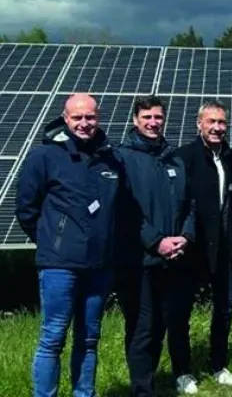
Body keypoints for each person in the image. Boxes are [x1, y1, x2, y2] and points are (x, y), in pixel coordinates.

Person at [17, 93, 124, 397]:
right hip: (59, 267)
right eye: (77, 117)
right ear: (65, 119)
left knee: (89, 339)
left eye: (90, 117)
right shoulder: (44, 157)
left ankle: (83, 394)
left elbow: (119, 209)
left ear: (98, 119)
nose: (84, 123)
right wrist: (53, 240)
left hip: (99, 267)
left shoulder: (110, 158)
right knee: (53, 338)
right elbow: (26, 208)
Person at [115, 95, 199, 396]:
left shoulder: (173, 158)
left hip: (174, 259)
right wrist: (155, 241)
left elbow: (190, 203)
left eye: (158, 117)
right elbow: (124, 210)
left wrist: (185, 237)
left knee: (166, 322)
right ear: (135, 120)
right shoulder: (122, 158)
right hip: (139, 261)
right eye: (147, 117)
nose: (153, 122)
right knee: (142, 329)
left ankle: (153, 382)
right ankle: (142, 390)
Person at [172, 99, 232, 388]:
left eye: (222, 122)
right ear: (199, 124)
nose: (217, 127)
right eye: (211, 122)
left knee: (224, 309)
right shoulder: (184, 157)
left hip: (224, 247)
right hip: (192, 248)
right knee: (182, 311)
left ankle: (218, 365)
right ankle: (182, 371)